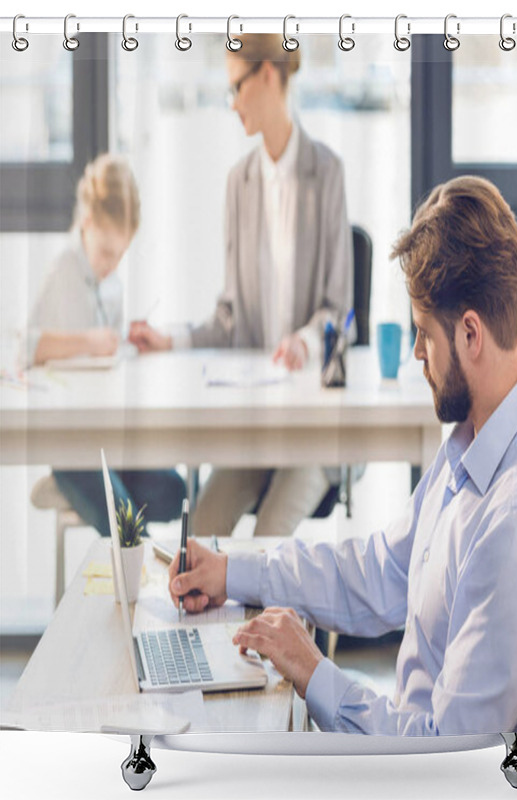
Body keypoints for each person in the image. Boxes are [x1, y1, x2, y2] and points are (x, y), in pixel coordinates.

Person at [166, 176, 517, 735]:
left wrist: (314, 672)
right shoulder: (474, 443)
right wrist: (234, 571)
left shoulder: (516, 526)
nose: (415, 353)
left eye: (423, 334)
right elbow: (382, 571)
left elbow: (445, 759)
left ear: (470, 334)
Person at [129, 34, 352, 539]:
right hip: (256, 426)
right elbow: (229, 317)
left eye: (236, 87)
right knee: (201, 529)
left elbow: (338, 310)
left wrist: (305, 339)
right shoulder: (238, 182)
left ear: (268, 76)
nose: (231, 103)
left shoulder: (328, 173)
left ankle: (282, 622)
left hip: (313, 429)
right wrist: (171, 339)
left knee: (268, 536)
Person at [24, 153, 186, 537]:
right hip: (71, 442)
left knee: (177, 492)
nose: (112, 265)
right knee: (130, 527)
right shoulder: (64, 269)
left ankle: (88, 492)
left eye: (121, 255)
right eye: (107, 253)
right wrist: (88, 342)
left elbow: (108, 355)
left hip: (105, 438)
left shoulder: (112, 282)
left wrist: (124, 344)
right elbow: (24, 349)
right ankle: (76, 485)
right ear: (87, 223)